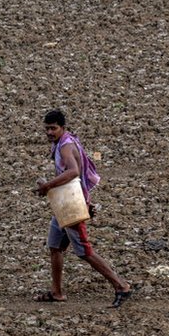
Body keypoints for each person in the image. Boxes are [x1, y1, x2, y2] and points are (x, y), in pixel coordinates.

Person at [34, 109, 131, 307]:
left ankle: (121, 285)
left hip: (70, 204)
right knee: (55, 247)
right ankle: (57, 292)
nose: (49, 133)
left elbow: (74, 171)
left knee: (84, 251)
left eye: (53, 129)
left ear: (63, 128)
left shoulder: (65, 147)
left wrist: (47, 186)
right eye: (47, 129)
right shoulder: (64, 142)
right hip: (63, 201)